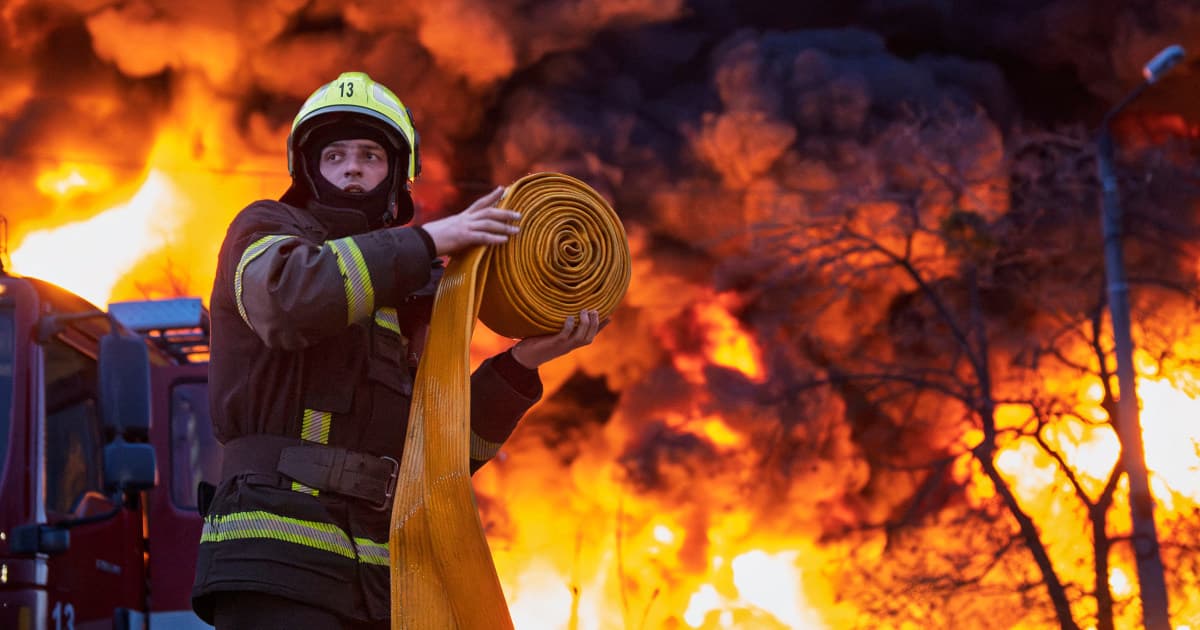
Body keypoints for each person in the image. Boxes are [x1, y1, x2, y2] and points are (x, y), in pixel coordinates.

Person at [191, 71, 602, 629]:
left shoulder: (413, 299)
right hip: (275, 565)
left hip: (379, 583)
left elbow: (440, 457)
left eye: (370, 155)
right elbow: (288, 302)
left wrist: (522, 362)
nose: (352, 167)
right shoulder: (267, 230)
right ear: (308, 170)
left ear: (398, 176)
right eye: (334, 155)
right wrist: (430, 241)